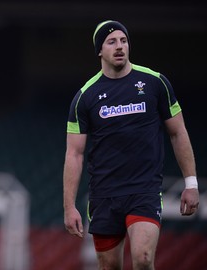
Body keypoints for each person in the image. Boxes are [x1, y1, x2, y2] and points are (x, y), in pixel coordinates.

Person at [63, 20, 199, 270]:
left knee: (143, 259)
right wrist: (69, 206)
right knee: (109, 267)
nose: (119, 47)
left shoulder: (155, 83)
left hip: (143, 190)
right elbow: (74, 153)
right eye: (111, 41)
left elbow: (178, 133)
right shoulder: (85, 97)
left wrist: (191, 183)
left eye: (123, 41)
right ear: (99, 51)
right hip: (104, 195)